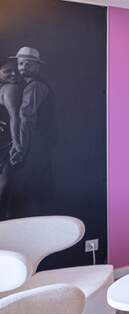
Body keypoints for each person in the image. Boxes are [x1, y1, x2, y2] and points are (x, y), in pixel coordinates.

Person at [7, 47, 56, 217]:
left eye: (28, 64)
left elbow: (26, 117)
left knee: (28, 188)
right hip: (39, 142)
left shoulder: (35, 86)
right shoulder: (28, 85)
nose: (23, 67)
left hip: (35, 142)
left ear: (37, 66)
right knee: (40, 187)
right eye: (20, 63)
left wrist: (20, 148)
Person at [0, 59, 22, 217]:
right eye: (7, 71)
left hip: (5, 143)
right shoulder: (10, 88)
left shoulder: (7, 87)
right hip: (6, 144)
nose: (14, 73)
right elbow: (15, 118)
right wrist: (17, 143)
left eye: (15, 69)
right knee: (6, 186)